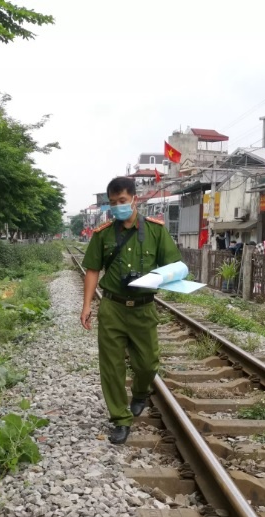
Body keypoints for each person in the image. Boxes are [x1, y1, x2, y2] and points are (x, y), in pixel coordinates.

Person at [80, 176, 183, 445]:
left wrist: (155, 278)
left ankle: (139, 393)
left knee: (147, 364)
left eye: (122, 201)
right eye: (113, 203)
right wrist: (87, 305)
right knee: (112, 367)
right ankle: (120, 419)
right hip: (112, 307)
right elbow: (92, 269)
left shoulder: (156, 231)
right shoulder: (102, 234)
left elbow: (174, 267)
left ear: (134, 199)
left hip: (144, 308)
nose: (118, 207)